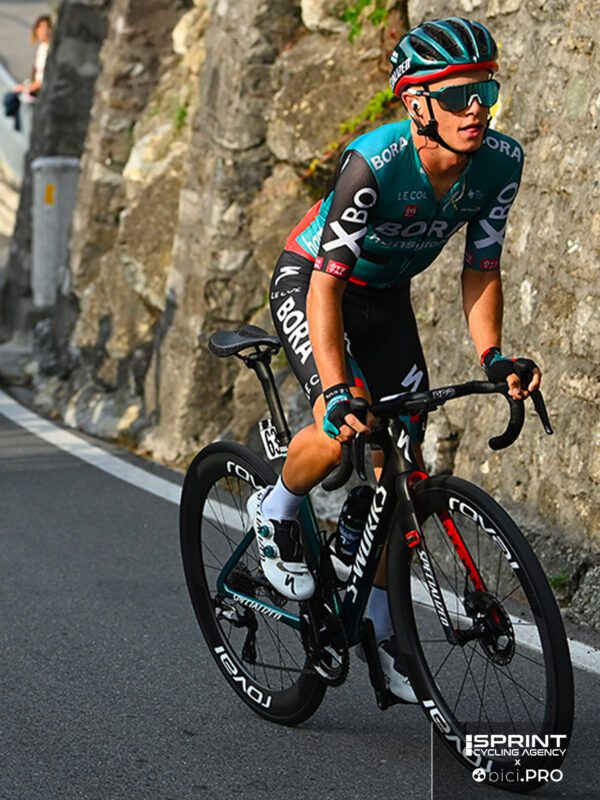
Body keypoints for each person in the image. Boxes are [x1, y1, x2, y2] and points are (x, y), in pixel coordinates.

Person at [248, 17, 541, 701]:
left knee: (398, 460)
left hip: (385, 299)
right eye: (459, 94)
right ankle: (277, 507)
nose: (477, 108)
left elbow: (482, 266)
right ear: (417, 104)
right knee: (337, 425)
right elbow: (325, 286)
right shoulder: (373, 164)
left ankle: (381, 627)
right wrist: (336, 388)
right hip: (315, 284)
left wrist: (493, 355)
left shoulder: (501, 162)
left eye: (486, 91)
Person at [3, 14, 52, 131]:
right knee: (10, 98)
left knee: (12, 98)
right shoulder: (42, 48)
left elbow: (42, 81)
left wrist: (25, 88)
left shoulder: (50, 50)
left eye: (47, 27)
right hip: (36, 88)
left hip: (41, 92)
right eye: (40, 27)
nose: (44, 31)